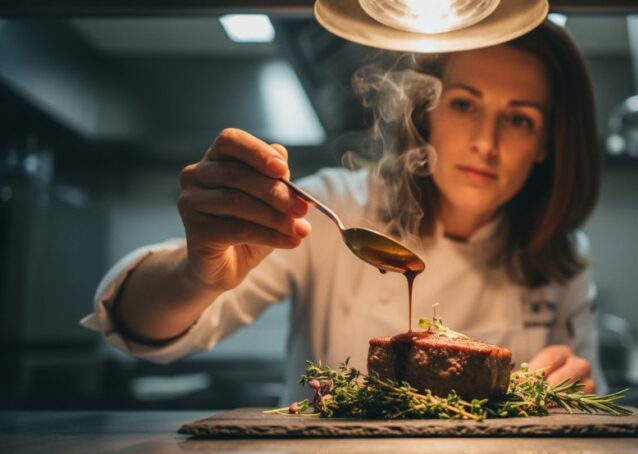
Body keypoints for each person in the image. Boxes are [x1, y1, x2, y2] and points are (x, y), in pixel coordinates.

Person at [81, 22, 605, 402]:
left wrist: (571, 386)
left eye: (519, 119)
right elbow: (141, 327)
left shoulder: (561, 254)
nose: (486, 143)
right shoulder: (338, 207)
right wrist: (198, 274)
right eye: (464, 104)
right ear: (429, 112)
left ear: (546, 144)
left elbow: (589, 395)